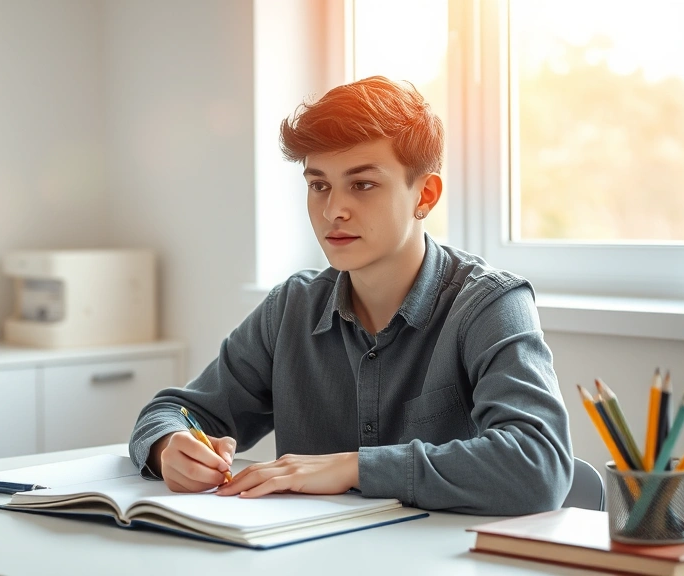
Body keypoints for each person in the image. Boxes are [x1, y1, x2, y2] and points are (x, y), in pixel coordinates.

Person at [128, 76, 573, 515]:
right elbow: (174, 411)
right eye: (318, 185)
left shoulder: (490, 305)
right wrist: (169, 446)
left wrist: (355, 468)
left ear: (426, 194)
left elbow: (539, 464)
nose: (331, 210)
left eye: (362, 185)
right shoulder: (291, 308)